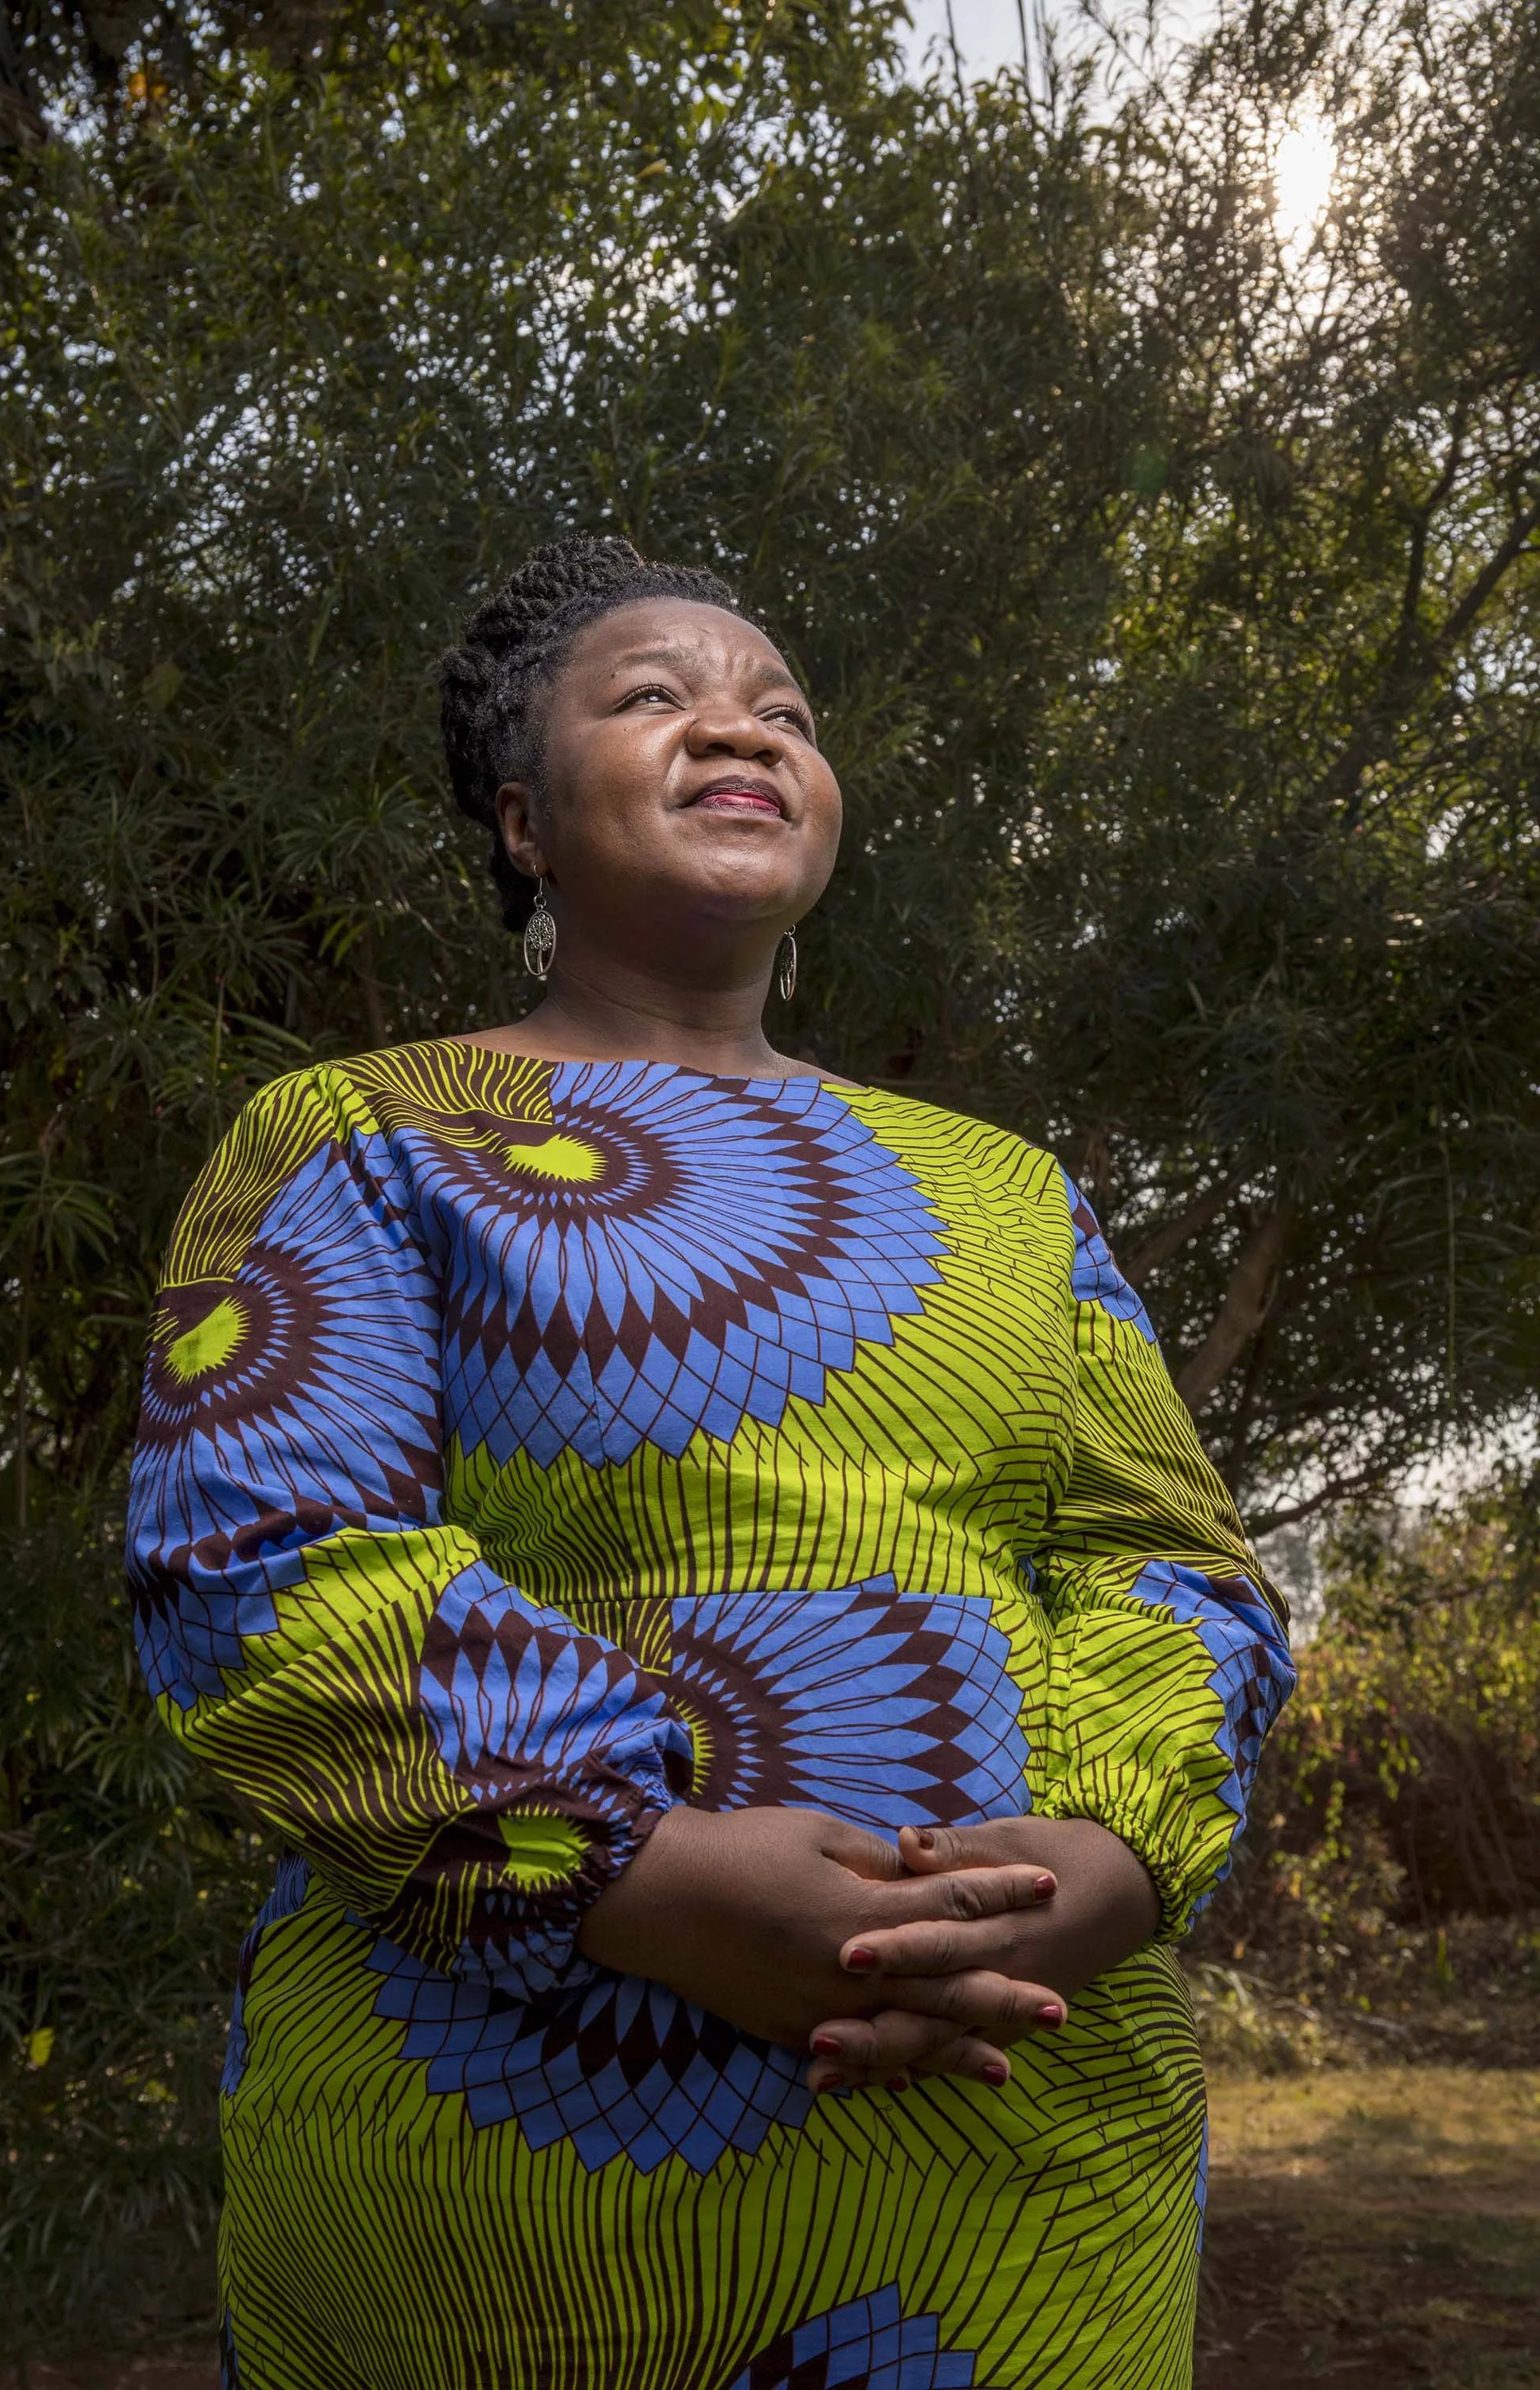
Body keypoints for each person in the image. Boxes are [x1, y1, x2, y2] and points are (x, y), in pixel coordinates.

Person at [127, 535, 1295, 2389]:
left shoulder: (1008, 1189)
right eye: (656, 695)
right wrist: (645, 1879)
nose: (736, 729)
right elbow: (260, 1564)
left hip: (1022, 2135)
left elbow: (1178, 1567)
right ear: (521, 821)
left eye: (782, 712)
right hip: (500, 2150)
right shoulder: (355, 1135)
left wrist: (1112, 1855)